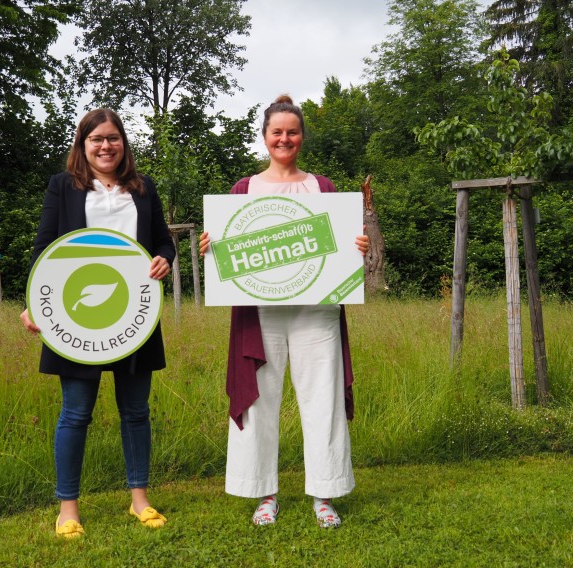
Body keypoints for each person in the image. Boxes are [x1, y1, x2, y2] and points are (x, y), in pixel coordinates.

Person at [199, 95, 369, 528]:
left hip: (317, 311)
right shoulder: (243, 190)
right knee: (259, 403)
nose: (284, 138)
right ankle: (263, 495)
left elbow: (344, 248)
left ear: (302, 137)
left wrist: (358, 247)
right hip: (260, 315)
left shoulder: (324, 189)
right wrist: (210, 248)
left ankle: (325, 496)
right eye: (277, 131)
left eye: (292, 131)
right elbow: (228, 252)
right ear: (265, 136)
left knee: (323, 400)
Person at [20, 108, 175, 539]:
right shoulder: (62, 187)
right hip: (76, 317)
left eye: (113, 138)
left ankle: (139, 500)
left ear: (123, 142)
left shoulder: (143, 189)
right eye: (96, 139)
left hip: (134, 315)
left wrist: (166, 257)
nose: (106, 146)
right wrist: (33, 302)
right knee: (74, 414)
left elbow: (162, 239)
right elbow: (44, 248)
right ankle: (68, 509)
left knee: (136, 412)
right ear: (82, 144)